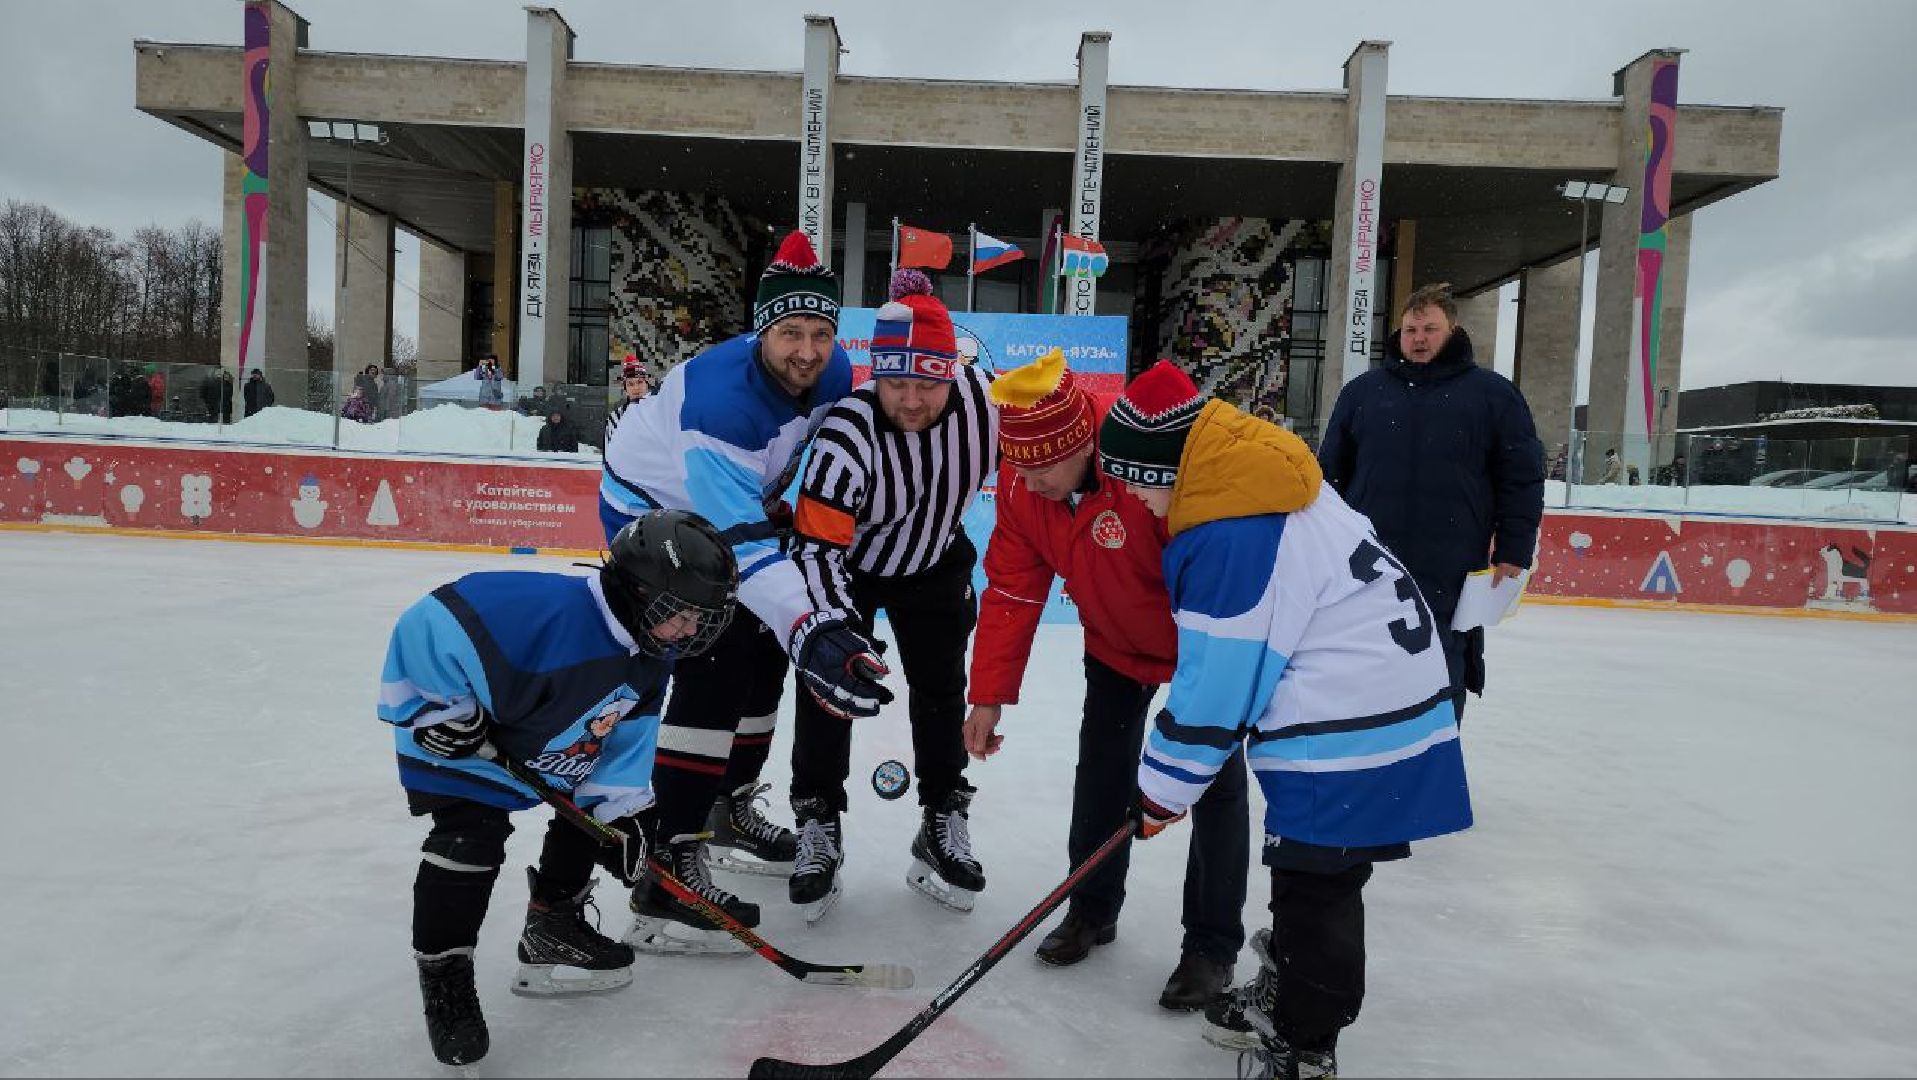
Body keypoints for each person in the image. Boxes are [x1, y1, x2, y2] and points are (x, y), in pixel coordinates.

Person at [1100, 361, 1473, 1080]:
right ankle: (1295, 984)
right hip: (1383, 702)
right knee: (1318, 872)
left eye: (1139, 482)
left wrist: (1158, 792)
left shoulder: (1230, 536)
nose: (1136, 499)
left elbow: (1216, 690)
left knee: (1315, 883)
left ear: (1171, 469)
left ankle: (1305, 1042)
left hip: (1349, 723)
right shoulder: (1265, 484)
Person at [966, 349, 1293, 1010]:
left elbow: (1212, 572)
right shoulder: (1025, 489)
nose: (1025, 482)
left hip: (1198, 648)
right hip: (1114, 646)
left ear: (1082, 446)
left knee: (1213, 783)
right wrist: (988, 696)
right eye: (1015, 467)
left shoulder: (1147, 475)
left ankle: (1209, 946)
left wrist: (1215, 680)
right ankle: (1091, 909)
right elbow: (1012, 590)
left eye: (1040, 468)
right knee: (1102, 772)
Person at [598, 230, 886, 951]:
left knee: (765, 659)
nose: (807, 351)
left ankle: (725, 807)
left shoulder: (834, 371)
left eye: (820, 332)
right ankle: (668, 865)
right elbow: (743, 549)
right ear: (762, 332)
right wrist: (815, 629)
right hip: (651, 515)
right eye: (790, 333)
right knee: (716, 655)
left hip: (730, 510)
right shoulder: (718, 406)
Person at [378, 510, 739, 1067]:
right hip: (466, 741)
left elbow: (624, 746)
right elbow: (429, 622)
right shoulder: (542, 609)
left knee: (593, 821)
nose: (691, 631)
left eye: (701, 618)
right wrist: (436, 710)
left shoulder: (651, 656)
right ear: (639, 591)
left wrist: (624, 816)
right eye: (683, 614)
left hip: (549, 743)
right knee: (471, 838)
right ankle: (446, 979)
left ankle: (553, 924)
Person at [785, 269, 999, 919]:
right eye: (895, 383)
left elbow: (1059, 443)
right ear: (875, 375)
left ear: (951, 375)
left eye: (927, 384)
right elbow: (815, 548)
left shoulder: (988, 408)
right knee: (830, 687)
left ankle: (942, 815)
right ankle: (817, 816)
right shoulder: (848, 433)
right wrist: (830, 632)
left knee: (941, 690)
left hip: (934, 561)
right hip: (851, 569)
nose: (910, 400)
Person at [1317, 283, 1543, 720]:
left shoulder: (1493, 395)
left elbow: (1521, 479)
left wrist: (1515, 550)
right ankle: (1375, 751)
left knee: (1442, 666)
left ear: (1452, 330)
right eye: (1411, 330)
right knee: (1369, 665)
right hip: (1371, 562)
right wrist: (1321, 543)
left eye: (1430, 329)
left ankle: (1437, 753)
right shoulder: (1363, 393)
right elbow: (1330, 477)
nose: (1419, 339)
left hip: (1451, 564)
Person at [606, 355, 651, 444]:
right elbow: (609, 449)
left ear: (647, 384)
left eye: (639, 382)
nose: (636, 388)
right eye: (630, 384)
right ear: (625, 389)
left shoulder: (658, 413)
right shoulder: (615, 418)